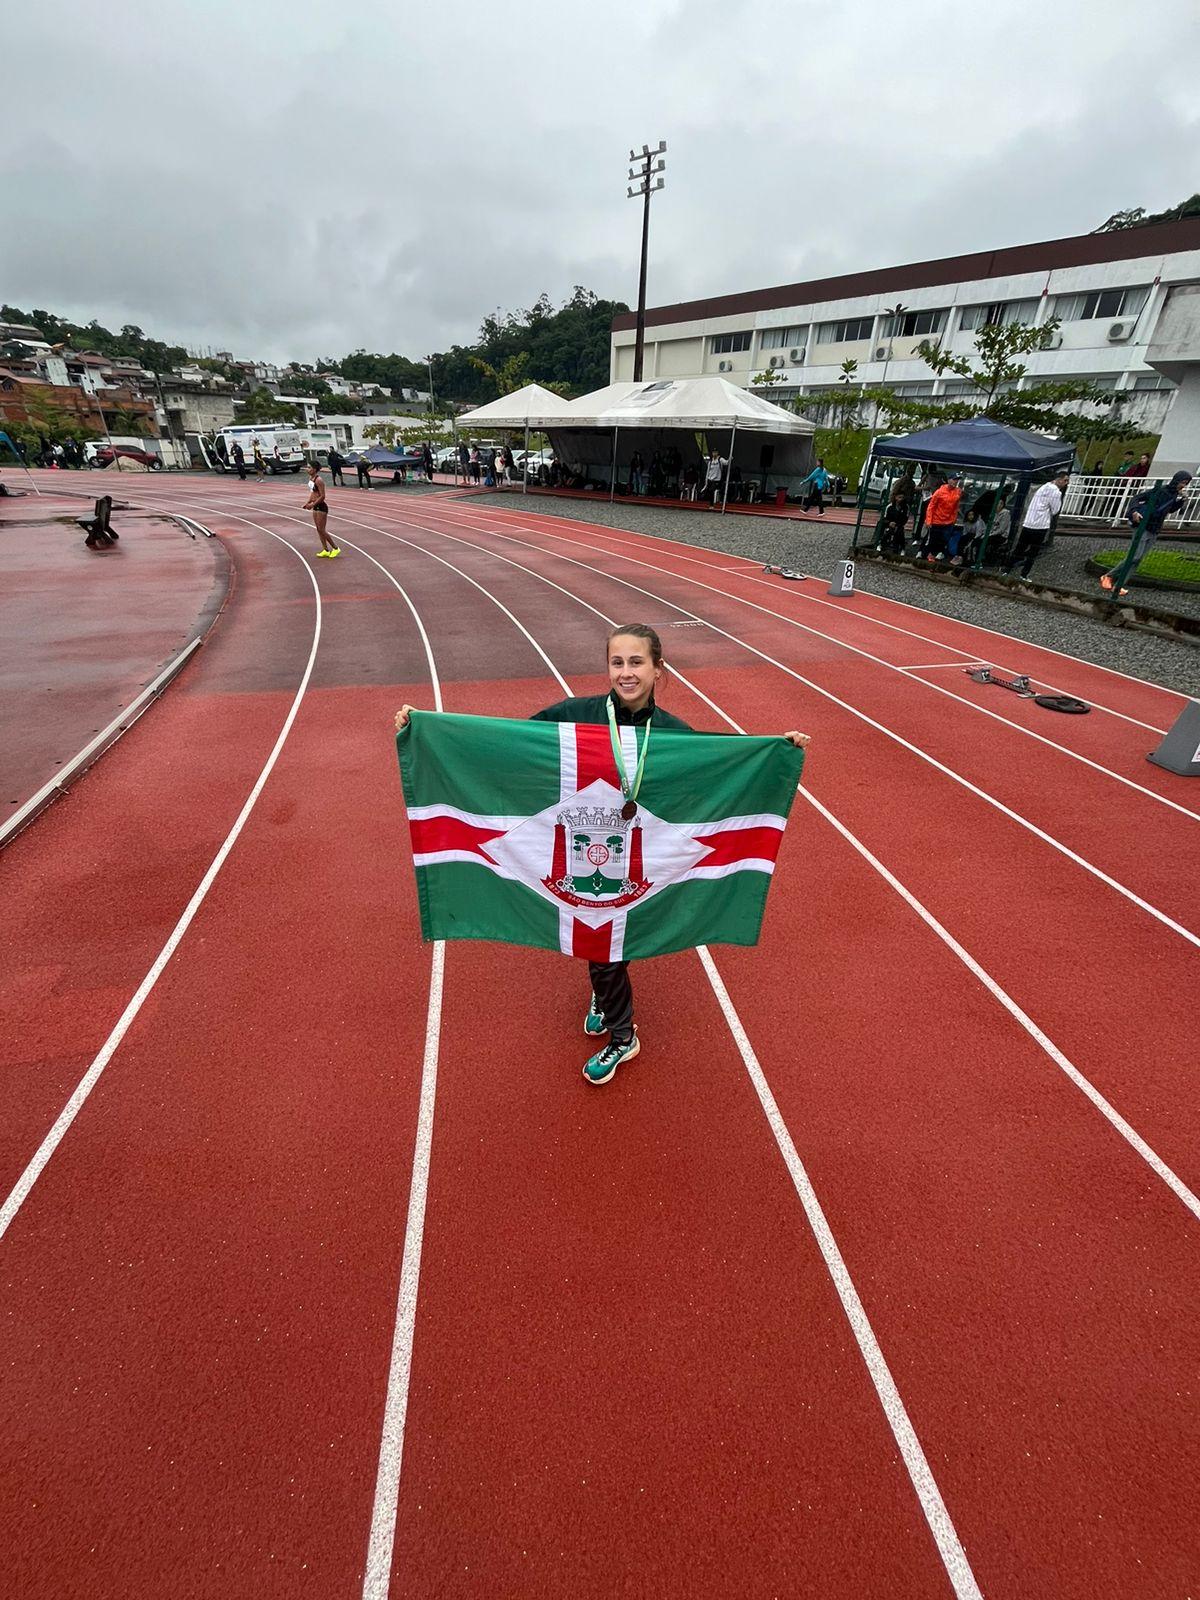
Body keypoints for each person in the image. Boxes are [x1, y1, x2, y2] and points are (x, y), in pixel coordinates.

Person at [394, 624, 810, 1085]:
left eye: (636, 663)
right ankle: (609, 1003)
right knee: (603, 950)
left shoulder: (674, 735)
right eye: (617, 662)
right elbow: (505, 743)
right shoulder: (575, 715)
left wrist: (776, 751)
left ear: (658, 669)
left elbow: (718, 765)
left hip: (638, 862)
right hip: (581, 857)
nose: (626, 673)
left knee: (610, 950)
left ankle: (622, 1036)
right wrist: (428, 727)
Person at [1101, 470, 1193, 596]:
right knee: (1135, 556)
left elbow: (1170, 509)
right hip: (1143, 525)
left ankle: (1119, 585)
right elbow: (1137, 498)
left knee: (1138, 559)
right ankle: (1109, 576)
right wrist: (1134, 512)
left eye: (1186, 483)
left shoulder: (1174, 494)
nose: (1183, 485)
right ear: (1176, 480)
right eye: (1182, 482)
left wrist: (1182, 500)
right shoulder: (1161, 490)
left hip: (1155, 528)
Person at [1003, 469, 1070, 579]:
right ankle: (1024, 574)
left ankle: (1007, 569)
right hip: (1040, 525)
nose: (1066, 483)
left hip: (1029, 522)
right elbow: (1055, 510)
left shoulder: (1043, 487)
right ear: (1059, 480)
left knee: (1019, 548)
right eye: (1065, 480)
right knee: (1033, 552)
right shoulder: (1056, 492)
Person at [303, 461, 339, 558]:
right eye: (307, 467)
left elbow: (322, 496)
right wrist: (308, 502)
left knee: (322, 530)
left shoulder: (319, 480)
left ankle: (335, 548)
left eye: (309, 467)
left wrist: (313, 504)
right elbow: (313, 493)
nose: (307, 469)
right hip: (315, 506)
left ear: (314, 469)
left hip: (321, 506)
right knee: (318, 529)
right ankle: (325, 549)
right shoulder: (311, 479)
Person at [924, 472, 962, 561]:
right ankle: (930, 555)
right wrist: (929, 520)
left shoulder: (958, 492)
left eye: (957, 480)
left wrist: (953, 519)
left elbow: (955, 507)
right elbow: (931, 506)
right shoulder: (939, 492)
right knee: (933, 539)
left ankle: (938, 553)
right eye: (954, 479)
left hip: (948, 521)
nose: (955, 482)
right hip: (937, 520)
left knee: (944, 539)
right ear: (948, 480)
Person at [878, 487, 909, 555]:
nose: (901, 499)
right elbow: (884, 518)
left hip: (899, 524)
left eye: (902, 497)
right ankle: (881, 544)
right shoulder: (889, 507)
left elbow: (905, 518)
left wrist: (898, 524)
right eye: (899, 497)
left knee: (899, 532)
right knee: (888, 531)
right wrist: (889, 523)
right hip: (890, 524)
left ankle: (901, 548)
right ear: (895, 497)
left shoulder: (905, 507)